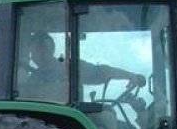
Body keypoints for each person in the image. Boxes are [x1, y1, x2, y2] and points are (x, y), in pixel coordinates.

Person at [17, 32, 146, 103]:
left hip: (67, 120)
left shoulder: (69, 68)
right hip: (62, 126)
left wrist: (130, 76)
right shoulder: (30, 81)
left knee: (110, 117)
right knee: (107, 118)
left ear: (51, 49)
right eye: (34, 51)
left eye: (42, 48)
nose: (38, 54)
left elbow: (102, 72)